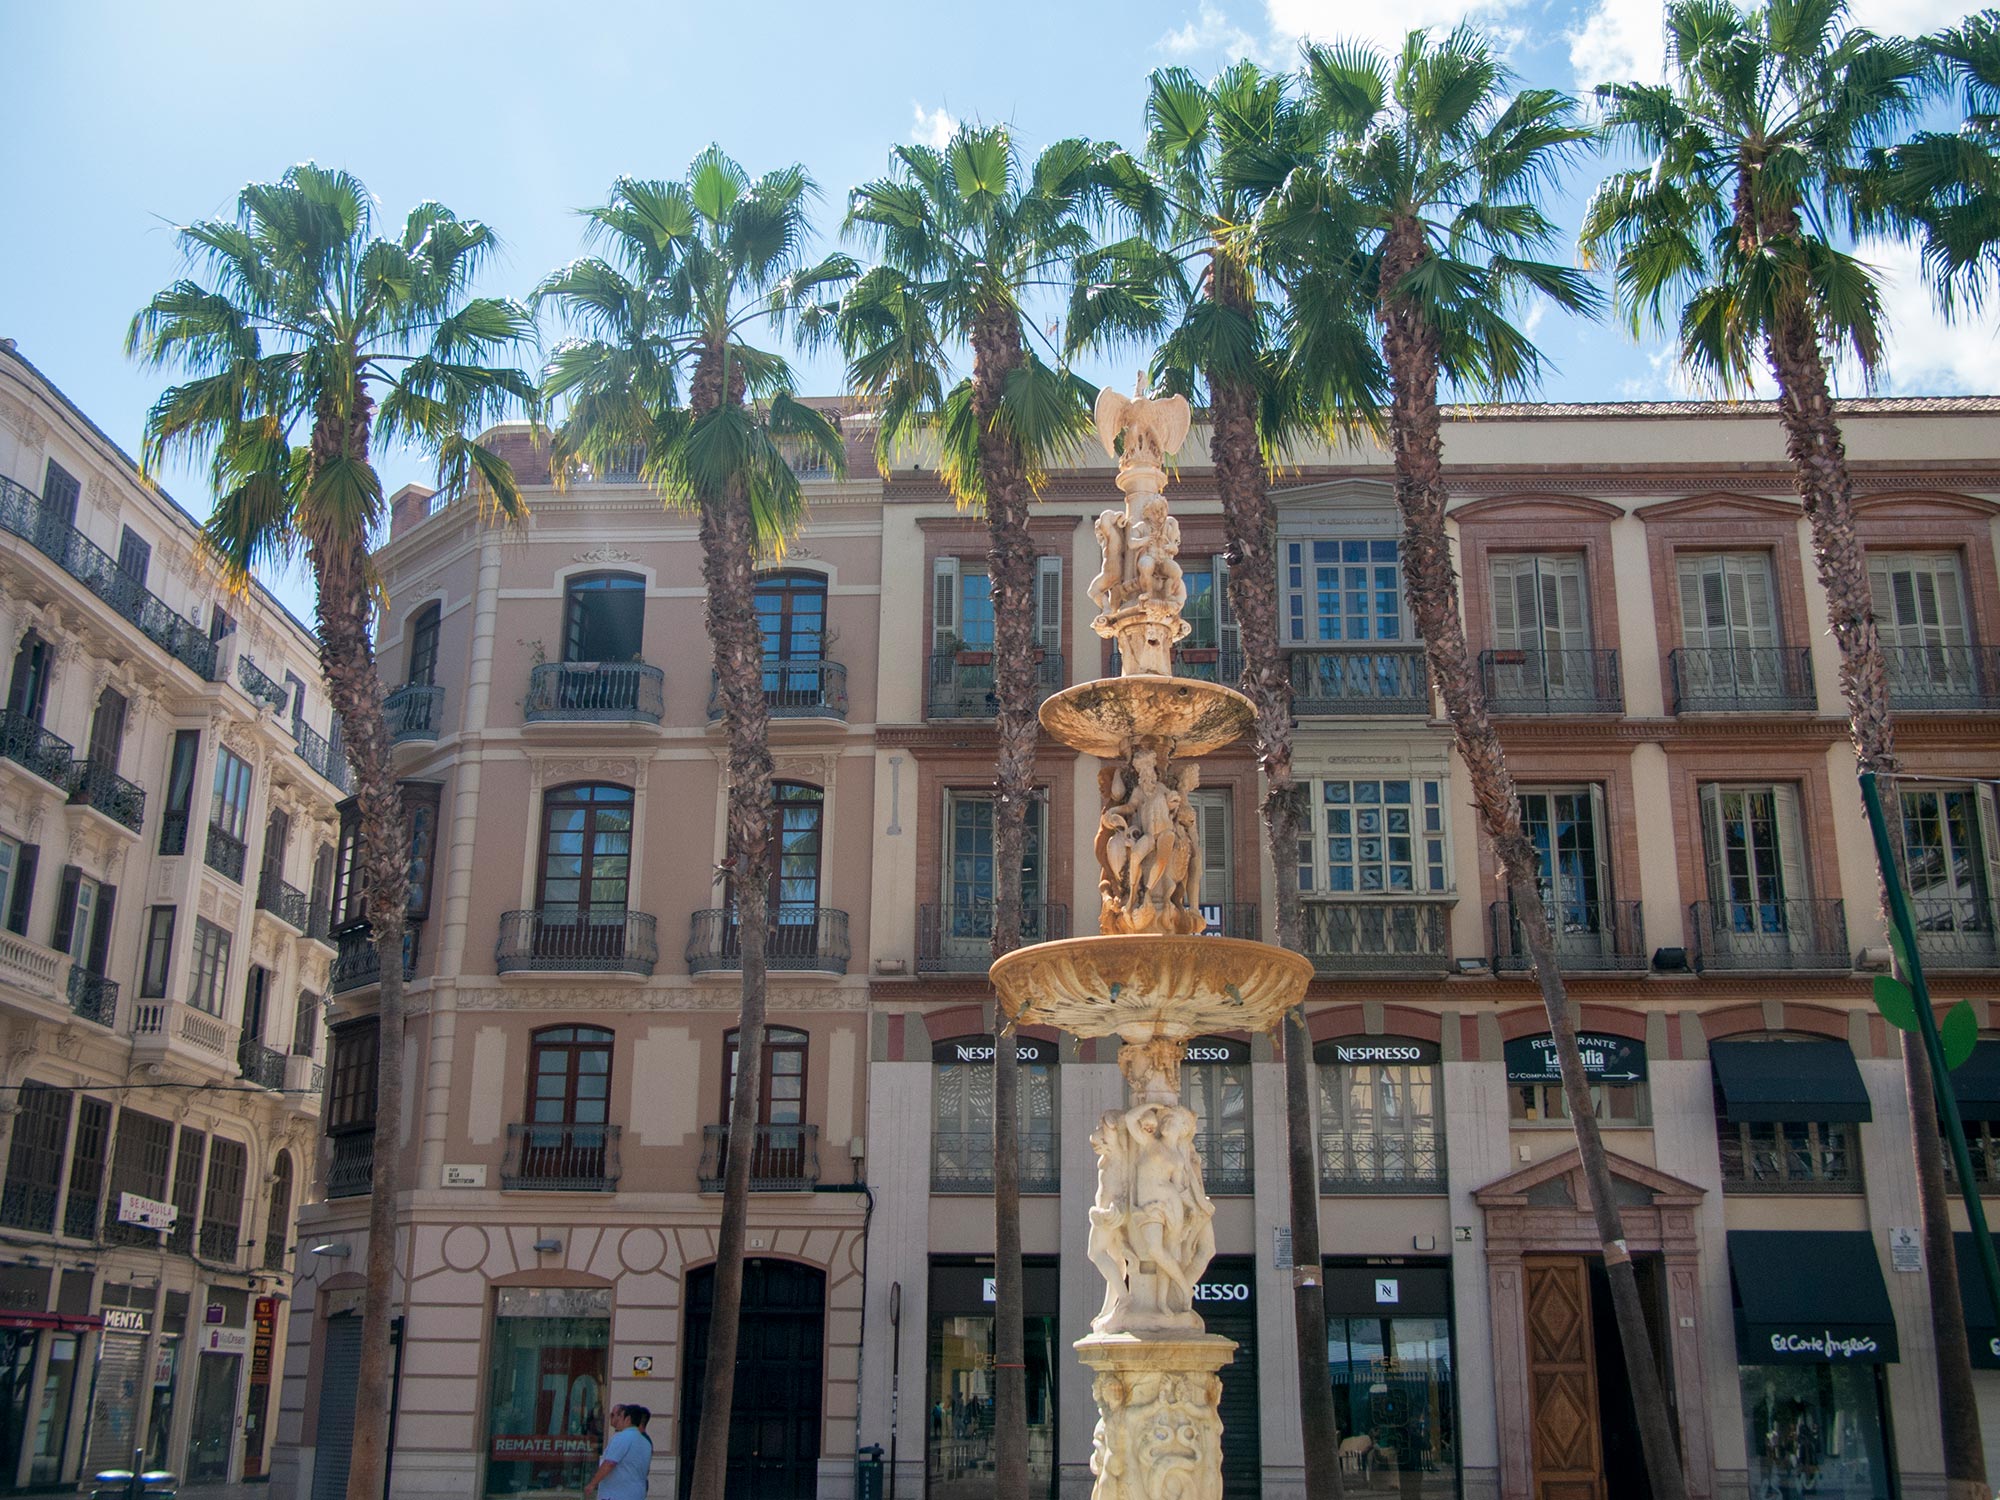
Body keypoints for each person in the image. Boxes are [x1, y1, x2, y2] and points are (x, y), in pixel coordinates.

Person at [584, 1403, 652, 1500]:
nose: (618, 1420)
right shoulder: (646, 1443)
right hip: (637, 1493)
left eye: (620, 1416)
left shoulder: (622, 1438)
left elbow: (609, 1463)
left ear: (627, 1419)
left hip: (616, 1494)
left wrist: (592, 1484)